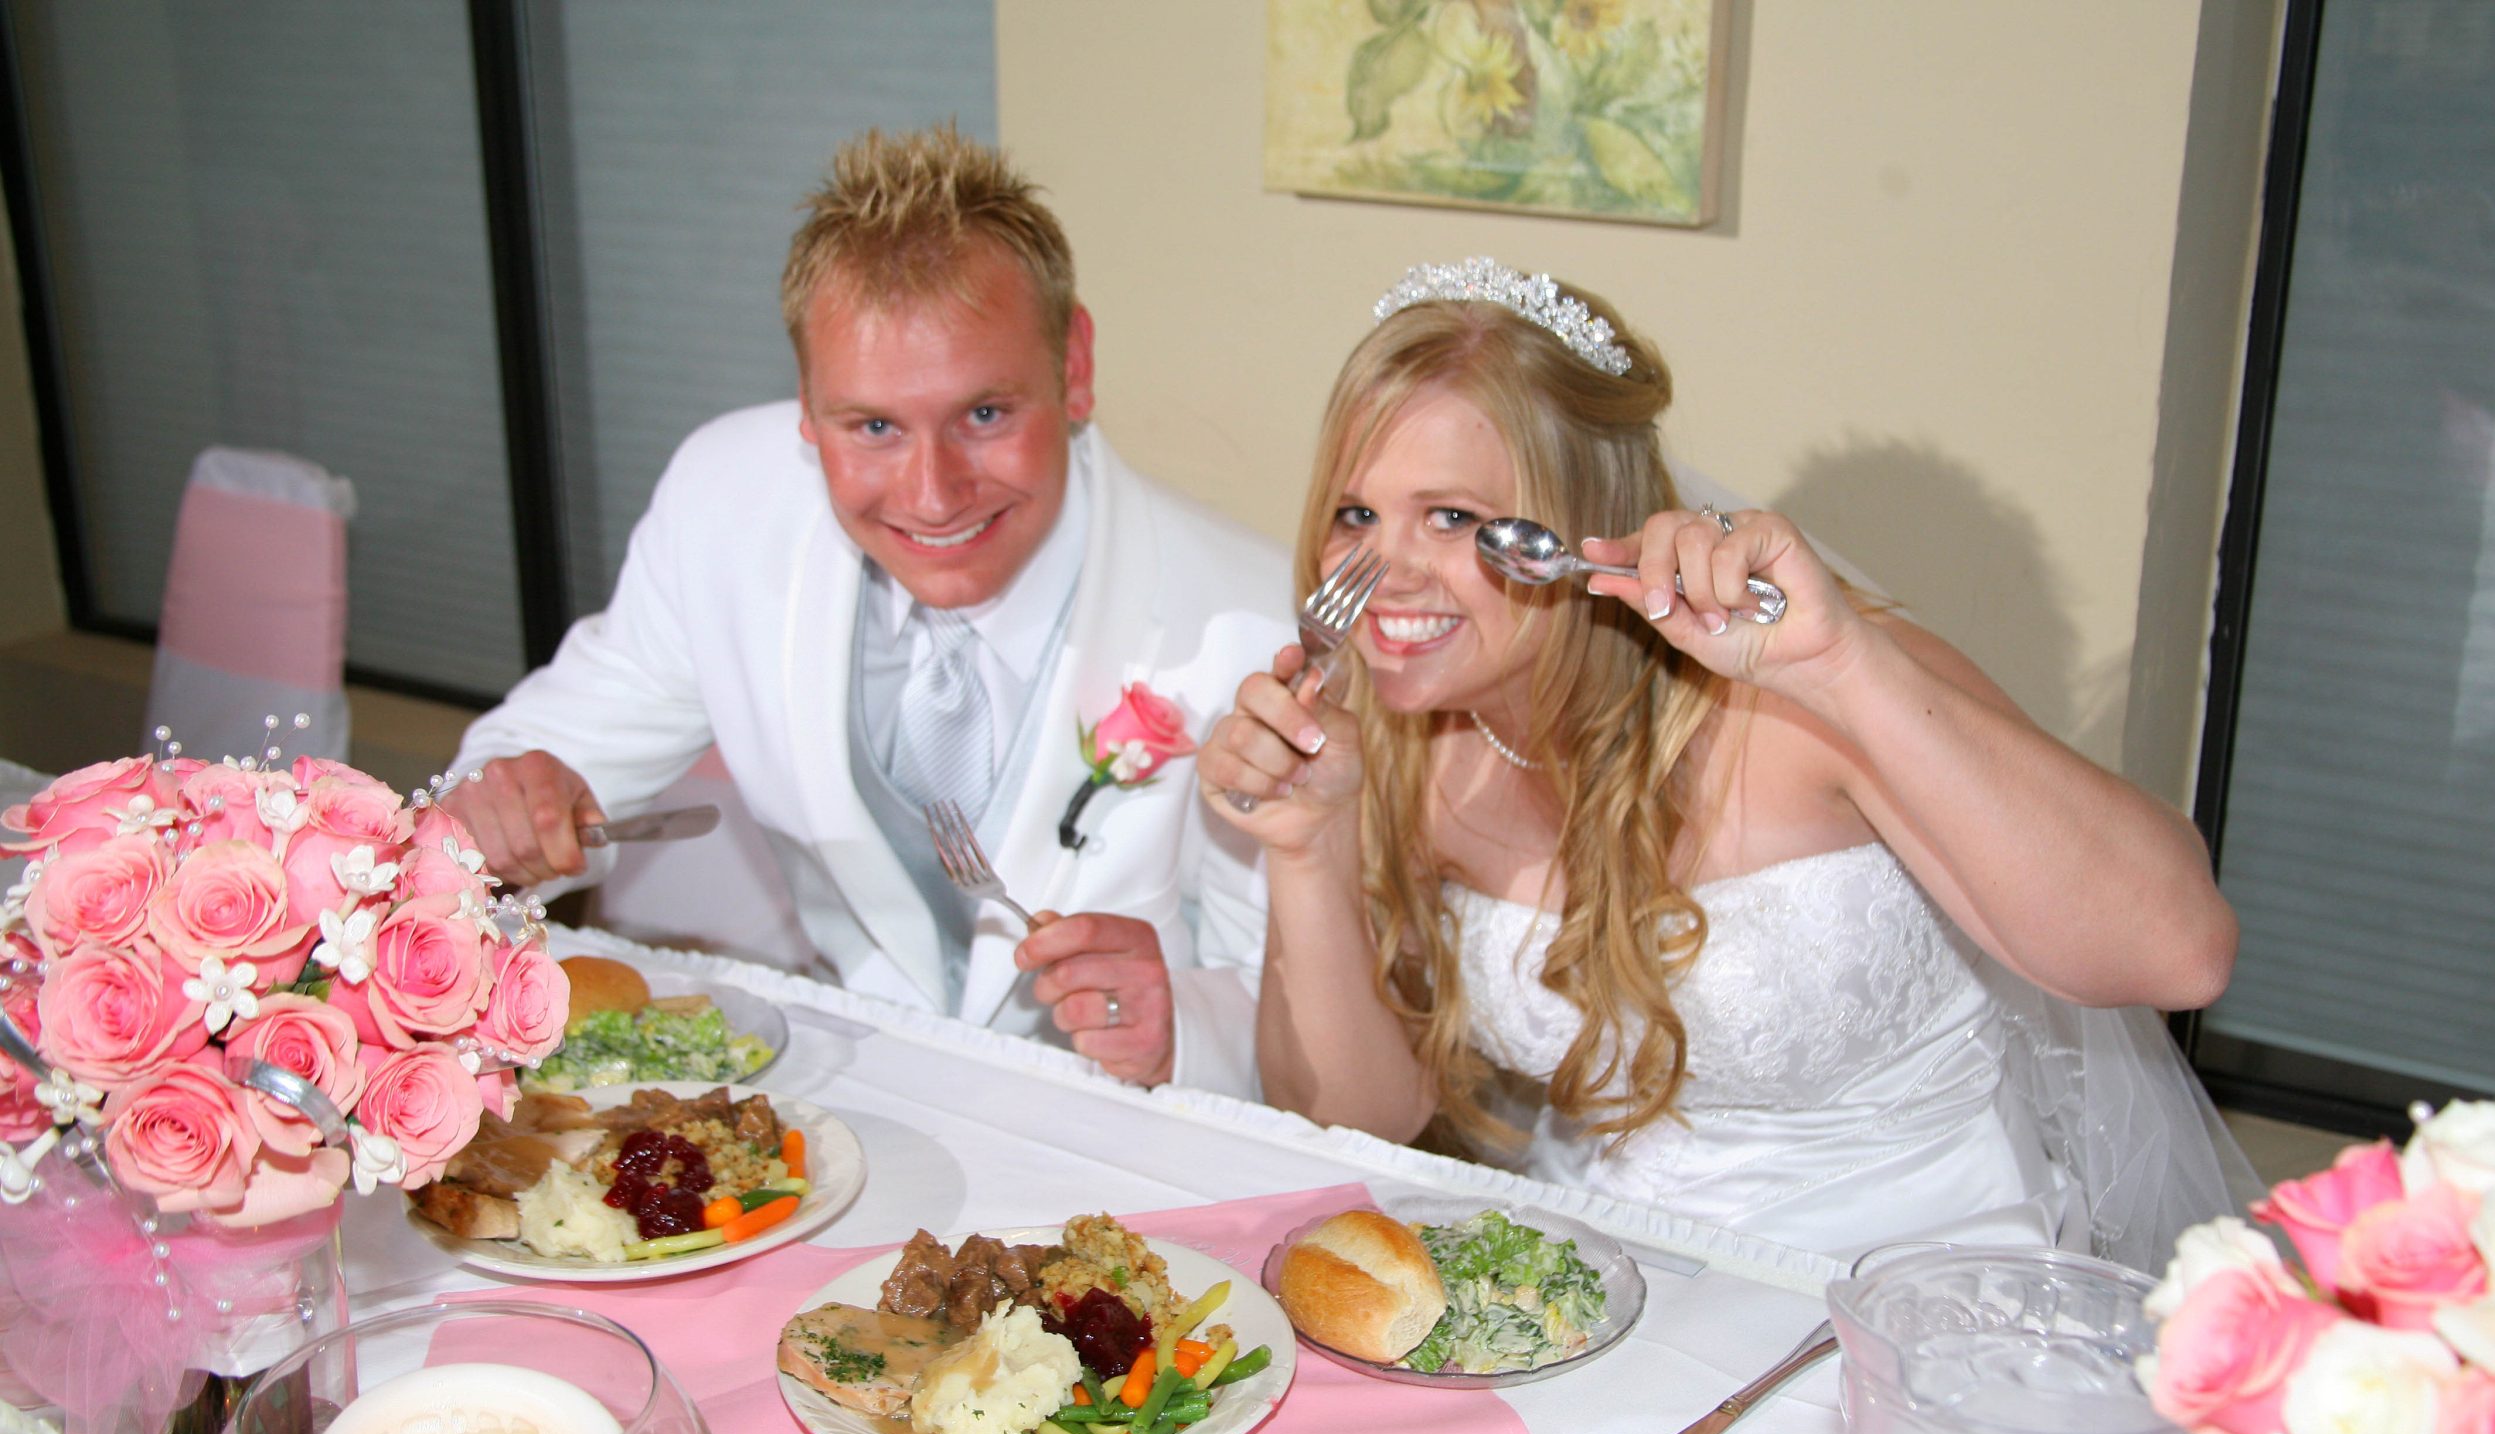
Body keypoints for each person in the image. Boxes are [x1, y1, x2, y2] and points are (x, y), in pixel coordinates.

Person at [1198, 258, 2245, 1266]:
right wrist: (1308, 845)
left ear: (1584, 528)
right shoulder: (1401, 743)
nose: (1382, 569)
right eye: (1356, 512)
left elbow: (2180, 954)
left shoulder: (1801, 701)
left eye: (1452, 517)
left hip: (1922, 1289)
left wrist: (1841, 668)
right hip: (1621, 1292)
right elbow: (1357, 1119)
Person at [447, 128, 1289, 1095]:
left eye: (984, 415)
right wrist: (505, 818)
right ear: (807, 407)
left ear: (1075, 363)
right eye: (875, 426)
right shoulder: (724, 505)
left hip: (1131, 1140)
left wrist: (1184, 1027)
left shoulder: (1254, 627)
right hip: (855, 1108)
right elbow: (528, 773)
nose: (933, 495)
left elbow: (1308, 1032)